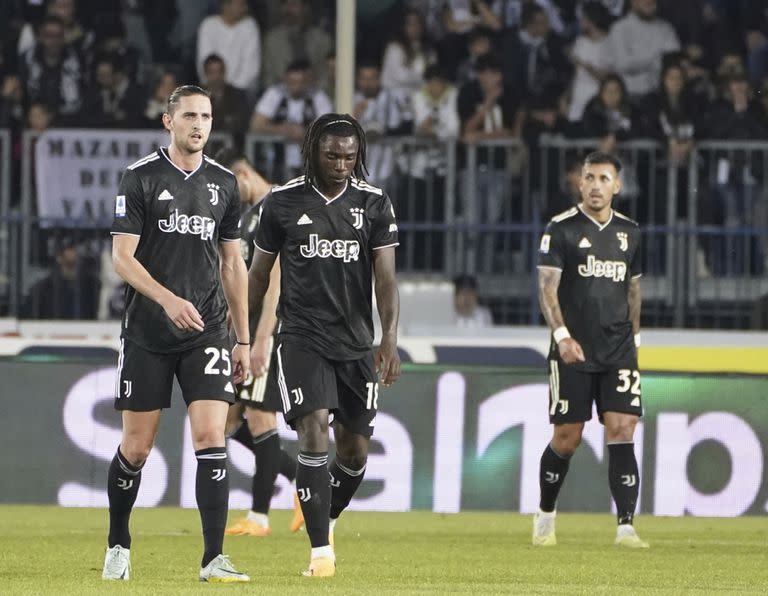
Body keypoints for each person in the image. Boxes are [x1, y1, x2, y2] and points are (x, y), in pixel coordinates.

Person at [103, 85, 250, 582]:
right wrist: (166, 298)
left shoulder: (225, 184)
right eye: (189, 115)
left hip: (206, 330)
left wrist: (244, 340)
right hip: (148, 330)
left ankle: (213, 558)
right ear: (168, 122)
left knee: (211, 437)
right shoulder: (139, 178)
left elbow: (233, 263)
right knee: (137, 449)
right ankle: (118, 542)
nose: (199, 125)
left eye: (206, 116)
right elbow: (122, 257)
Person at [247, 113, 401, 577]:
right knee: (312, 431)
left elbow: (386, 278)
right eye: (332, 155)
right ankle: (320, 554)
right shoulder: (282, 202)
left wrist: (389, 337)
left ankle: (325, 517)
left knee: (353, 453)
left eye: (350, 157)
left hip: (356, 345)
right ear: (313, 150)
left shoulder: (374, 203)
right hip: (301, 339)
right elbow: (257, 275)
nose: (340, 164)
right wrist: (239, 333)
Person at [535, 151, 648, 549]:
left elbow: (633, 290)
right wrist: (562, 336)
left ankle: (626, 526)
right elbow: (547, 287)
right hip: (574, 350)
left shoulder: (630, 232)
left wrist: (634, 342)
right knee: (568, 436)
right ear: (579, 183)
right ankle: (546, 513)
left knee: (623, 428)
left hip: (618, 349)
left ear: (617, 185)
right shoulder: (561, 229)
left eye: (604, 178)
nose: (596, 185)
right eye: (590, 178)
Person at [212, 147, 303, 537]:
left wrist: (264, 336)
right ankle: (306, 480)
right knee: (226, 422)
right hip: (243, 333)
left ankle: (260, 518)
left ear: (244, 174)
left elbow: (276, 281)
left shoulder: (276, 206)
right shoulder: (249, 213)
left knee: (260, 418)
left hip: (270, 332)